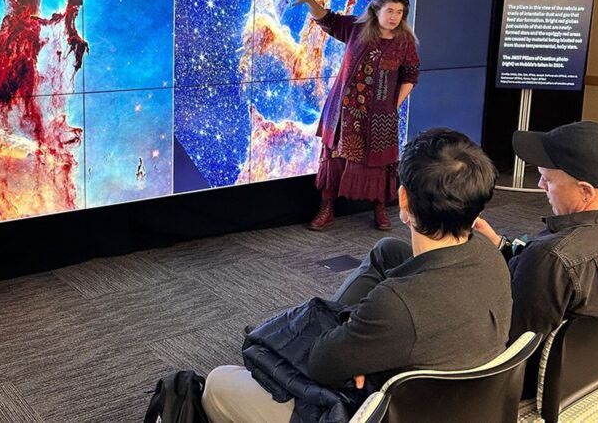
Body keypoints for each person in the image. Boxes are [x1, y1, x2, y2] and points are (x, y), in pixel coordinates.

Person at [202, 129, 512, 423]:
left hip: (375, 412)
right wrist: (359, 336)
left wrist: (352, 349)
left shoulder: (396, 304)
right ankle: (348, 339)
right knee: (389, 250)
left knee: (218, 383)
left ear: (403, 201)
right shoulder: (492, 257)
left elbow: (322, 364)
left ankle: (344, 338)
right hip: (446, 402)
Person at [472, 121, 598, 343]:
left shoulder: (551, 257)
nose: (541, 185)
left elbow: (515, 342)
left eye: (548, 179)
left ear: (585, 191)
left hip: (535, 374)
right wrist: (502, 246)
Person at [285, 0, 419, 231]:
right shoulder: (356, 29)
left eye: (399, 12)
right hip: (343, 113)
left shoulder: (404, 42)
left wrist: (393, 107)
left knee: (379, 164)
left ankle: (380, 210)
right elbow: (327, 19)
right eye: (390, 11)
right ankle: (327, 209)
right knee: (334, 160)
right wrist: (309, 1)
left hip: (379, 118)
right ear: (377, 10)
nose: (394, 17)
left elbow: (410, 75)